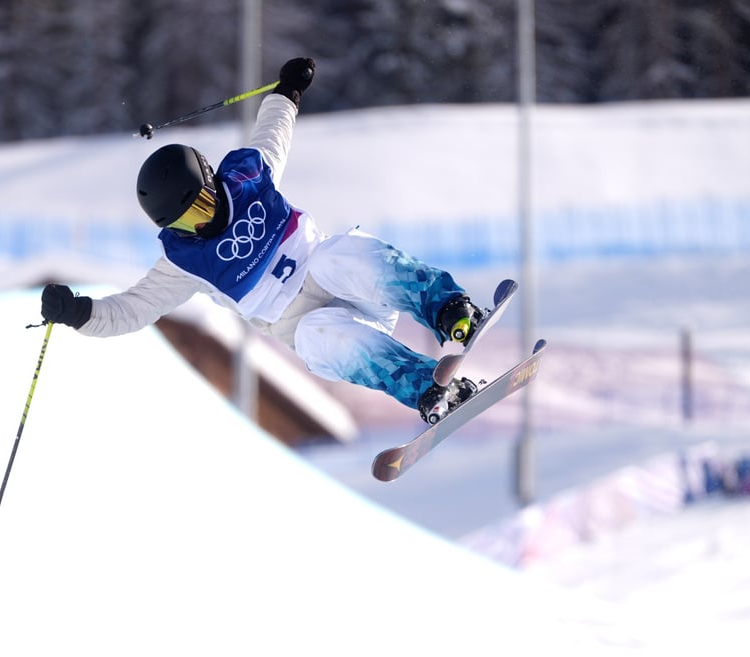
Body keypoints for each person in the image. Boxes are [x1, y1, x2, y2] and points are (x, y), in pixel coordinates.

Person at [41, 57, 484, 423]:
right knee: (316, 336)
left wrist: (288, 91)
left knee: (336, 255)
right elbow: (131, 310)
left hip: (351, 287)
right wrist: (80, 313)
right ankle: (428, 389)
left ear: (211, 181)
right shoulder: (183, 261)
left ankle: (447, 308)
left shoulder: (248, 174)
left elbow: (273, 131)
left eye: (202, 205)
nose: (201, 222)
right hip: (316, 327)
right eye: (186, 222)